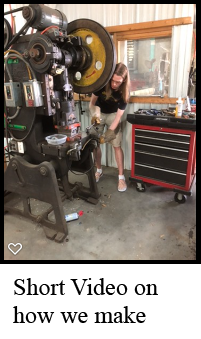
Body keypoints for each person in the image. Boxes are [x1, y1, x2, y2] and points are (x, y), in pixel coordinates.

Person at [89, 62, 130, 192]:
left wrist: (109, 134)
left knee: (116, 145)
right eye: (113, 80)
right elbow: (92, 104)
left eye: (118, 82)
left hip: (113, 115)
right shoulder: (102, 83)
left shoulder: (125, 92)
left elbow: (118, 117)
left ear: (123, 81)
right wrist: (95, 114)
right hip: (99, 111)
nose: (114, 84)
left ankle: (121, 177)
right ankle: (99, 170)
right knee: (95, 143)